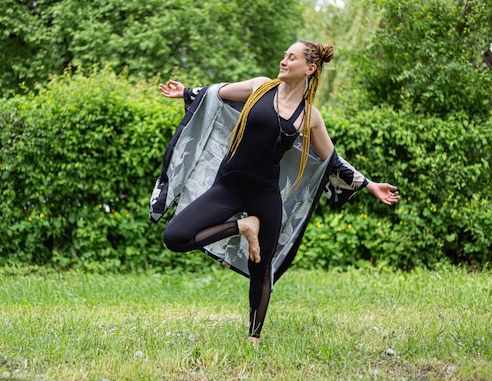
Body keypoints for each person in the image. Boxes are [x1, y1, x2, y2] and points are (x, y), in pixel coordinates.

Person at [153, 40, 399, 347]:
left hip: (265, 196)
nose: (283, 61)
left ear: (309, 68)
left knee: (263, 269)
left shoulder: (309, 117)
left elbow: (332, 161)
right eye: (284, 55)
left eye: (291, 58)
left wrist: (370, 184)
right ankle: (244, 227)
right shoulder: (259, 88)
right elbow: (217, 93)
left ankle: (254, 339)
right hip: (227, 187)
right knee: (175, 237)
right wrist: (187, 92)